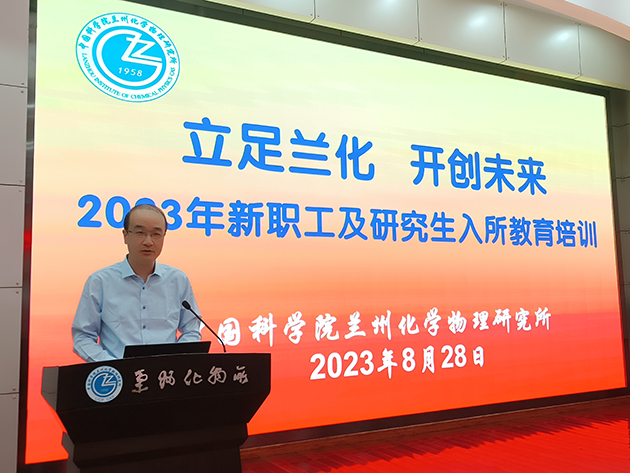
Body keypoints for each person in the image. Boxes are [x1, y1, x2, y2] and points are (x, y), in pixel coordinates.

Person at [72, 204, 202, 362]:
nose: (148, 242)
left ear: (164, 237)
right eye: (140, 233)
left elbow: (191, 330)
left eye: (156, 234)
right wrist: (112, 366)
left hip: (166, 373)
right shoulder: (100, 282)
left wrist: (175, 361)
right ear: (125, 235)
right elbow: (83, 337)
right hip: (118, 373)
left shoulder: (178, 280)